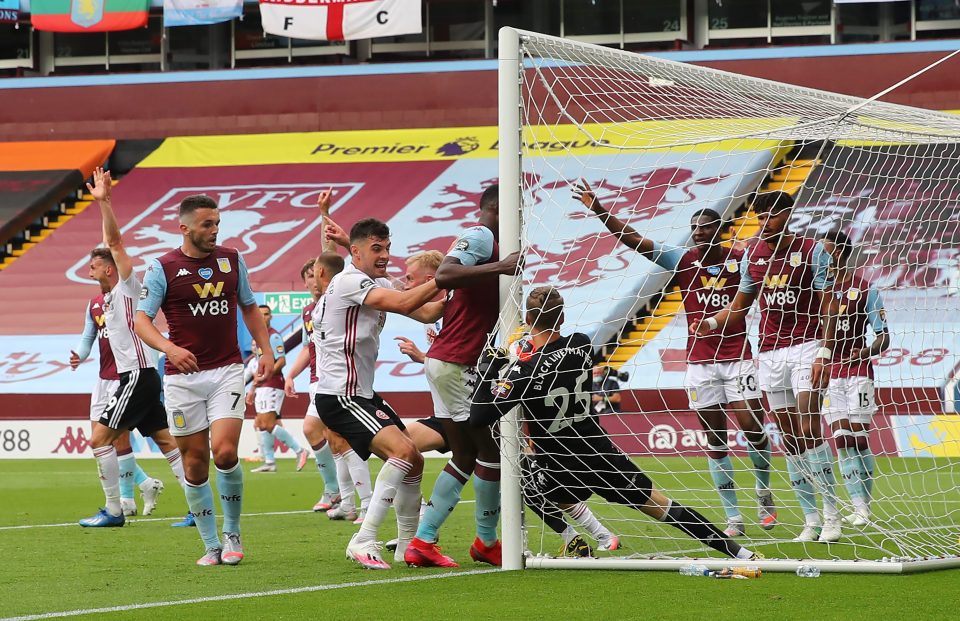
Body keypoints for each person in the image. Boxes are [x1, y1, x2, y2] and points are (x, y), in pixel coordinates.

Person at [471, 287, 759, 561]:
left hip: (559, 464)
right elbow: (553, 357)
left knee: (520, 477)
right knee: (664, 507)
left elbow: (479, 417)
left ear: (529, 319)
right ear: (562, 317)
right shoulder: (581, 344)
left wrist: (490, 371)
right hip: (599, 452)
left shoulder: (525, 373)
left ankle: (573, 537)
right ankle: (740, 553)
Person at [575, 181, 776, 537]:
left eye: (706, 226)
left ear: (722, 229)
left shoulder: (742, 259)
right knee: (714, 438)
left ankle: (763, 492)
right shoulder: (683, 260)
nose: (698, 232)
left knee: (751, 426)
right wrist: (601, 211)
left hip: (738, 357)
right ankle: (733, 518)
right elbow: (636, 241)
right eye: (694, 227)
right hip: (700, 363)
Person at [135, 193, 275, 566]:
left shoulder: (232, 260)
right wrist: (170, 349)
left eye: (217, 223)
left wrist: (266, 351)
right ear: (184, 228)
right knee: (194, 463)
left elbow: (248, 306)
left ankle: (232, 533)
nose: (214, 231)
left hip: (227, 370)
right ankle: (211, 544)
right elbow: (141, 320)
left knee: (225, 452)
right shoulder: (161, 268)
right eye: (207, 224)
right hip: (182, 377)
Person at [693, 191, 840, 543]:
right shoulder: (753, 255)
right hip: (771, 353)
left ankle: (833, 514)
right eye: (760, 217)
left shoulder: (812, 250)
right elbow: (741, 304)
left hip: (807, 347)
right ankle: (811, 519)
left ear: (788, 215)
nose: (764, 222)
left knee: (808, 424)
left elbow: (829, 305)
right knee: (789, 437)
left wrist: (825, 351)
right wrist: (712, 323)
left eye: (771, 216)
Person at [313, 218, 444, 570]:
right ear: (356, 252)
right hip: (341, 395)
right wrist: (447, 277)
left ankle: (406, 546)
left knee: (413, 458)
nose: (386, 254)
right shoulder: (351, 281)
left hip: (362, 393)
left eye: (387, 247)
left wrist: (462, 292)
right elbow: (403, 304)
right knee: (402, 451)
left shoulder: (371, 281)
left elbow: (428, 311)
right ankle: (363, 538)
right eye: (376, 249)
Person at [405, 184, 522, 569]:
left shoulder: (490, 242)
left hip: (451, 362)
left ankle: (423, 541)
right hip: (457, 364)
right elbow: (446, 272)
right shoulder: (480, 236)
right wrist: (500, 267)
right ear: (497, 207)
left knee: (466, 454)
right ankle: (485, 541)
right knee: (491, 453)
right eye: (516, 205)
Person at [77, 168, 186, 529]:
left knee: (100, 438)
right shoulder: (105, 300)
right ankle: (197, 506)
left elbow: (116, 243)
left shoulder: (126, 286)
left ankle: (113, 510)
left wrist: (105, 202)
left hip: (135, 376)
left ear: (109, 268)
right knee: (167, 442)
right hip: (143, 377)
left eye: (95, 266)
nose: (90, 270)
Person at [70, 288, 165, 517]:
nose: (92, 273)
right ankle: (144, 484)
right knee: (100, 442)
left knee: (119, 440)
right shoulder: (93, 304)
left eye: (96, 266)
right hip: (103, 380)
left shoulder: (128, 299)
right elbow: (87, 337)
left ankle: (126, 500)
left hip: (124, 378)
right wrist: (79, 356)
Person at [820, 230, 889, 527]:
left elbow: (883, 338)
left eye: (825, 250)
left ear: (839, 253)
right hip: (828, 373)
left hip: (858, 372)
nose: (820, 257)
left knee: (858, 439)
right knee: (841, 438)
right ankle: (858, 507)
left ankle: (865, 505)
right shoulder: (816, 292)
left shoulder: (865, 290)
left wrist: (863, 351)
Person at [284, 254, 345, 511]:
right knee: (320, 433)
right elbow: (308, 347)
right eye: (309, 276)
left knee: (331, 434)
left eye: (317, 274)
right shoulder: (308, 311)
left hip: (335, 378)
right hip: (314, 378)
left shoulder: (336, 303)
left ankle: (342, 493)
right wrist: (290, 375)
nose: (314, 280)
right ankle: (339, 492)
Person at [247, 304, 309, 473]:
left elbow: (281, 361)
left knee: (266, 423)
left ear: (271, 317)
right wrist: (254, 387)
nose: (263, 317)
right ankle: (269, 462)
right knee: (261, 423)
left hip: (272, 384)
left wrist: (266, 376)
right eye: (260, 314)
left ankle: (300, 450)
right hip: (262, 385)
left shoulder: (274, 337)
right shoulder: (260, 336)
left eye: (266, 314)